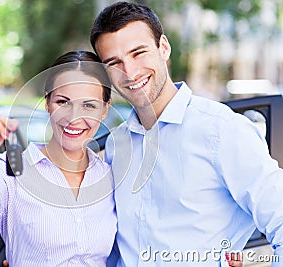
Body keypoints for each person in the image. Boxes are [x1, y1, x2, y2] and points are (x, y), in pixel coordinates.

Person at [90, 1, 283, 266]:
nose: (130, 72)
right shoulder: (116, 144)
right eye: (114, 62)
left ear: (164, 48)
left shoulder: (223, 130)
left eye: (139, 53)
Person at [0, 50, 117, 266]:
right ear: (47, 103)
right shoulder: (12, 170)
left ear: (105, 110)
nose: (74, 117)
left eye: (89, 105)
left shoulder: (109, 177)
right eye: (63, 102)